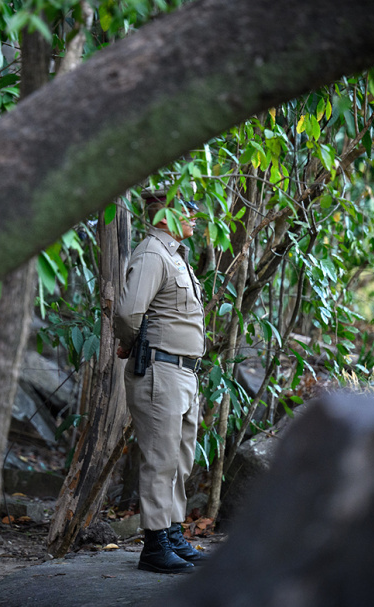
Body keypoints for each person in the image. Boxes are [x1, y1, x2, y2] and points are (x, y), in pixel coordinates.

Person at [114, 190, 207, 574]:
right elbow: (128, 311)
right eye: (188, 211)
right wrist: (130, 343)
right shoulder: (153, 252)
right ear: (165, 216)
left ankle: (171, 533)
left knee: (180, 460)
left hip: (183, 373)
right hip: (160, 371)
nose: (195, 218)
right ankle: (154, 545)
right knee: (160, 458)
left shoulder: (176, 257)